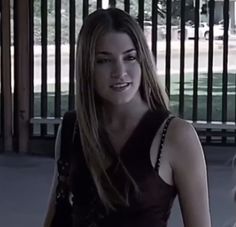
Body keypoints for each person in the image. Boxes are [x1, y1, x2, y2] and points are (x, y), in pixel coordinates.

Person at [43, 8, 211, 227]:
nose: (119, 71)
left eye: (130, 57)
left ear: (143, 61)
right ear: (87, 67)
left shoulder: (176, 136)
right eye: (104, 60)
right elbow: (55, 216)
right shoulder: (72, 128)